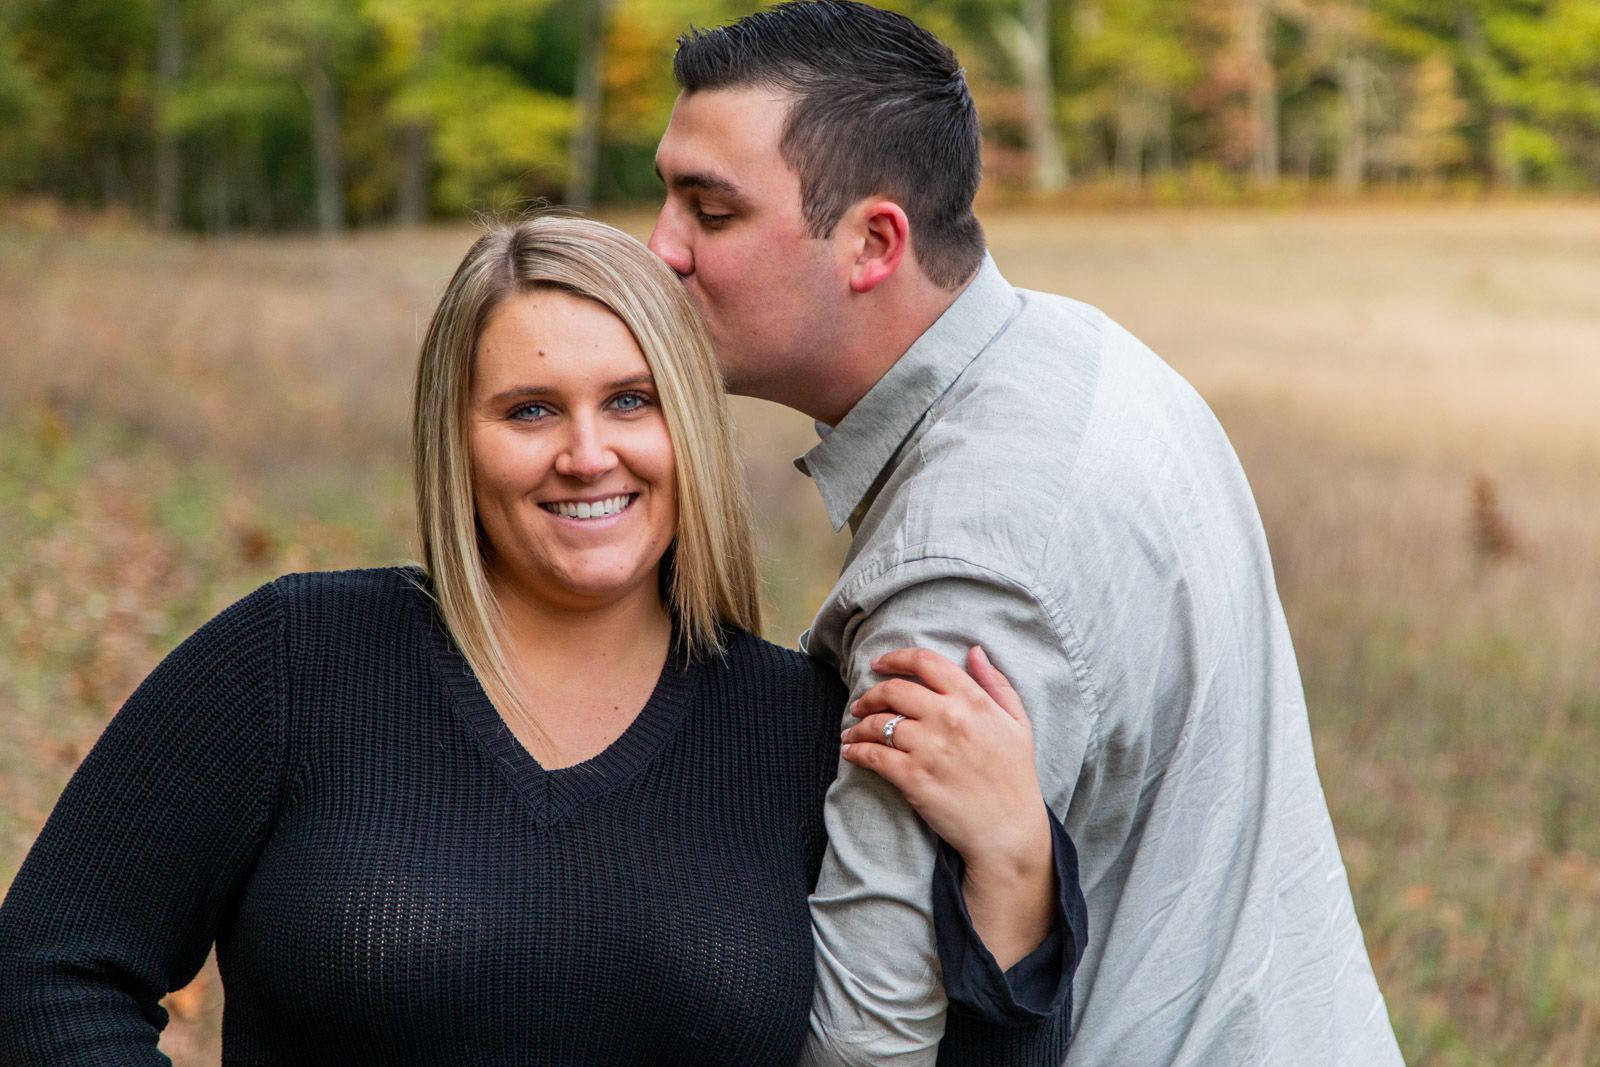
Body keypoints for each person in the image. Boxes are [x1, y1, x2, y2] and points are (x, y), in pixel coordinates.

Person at [0, 217, 1078, 1064]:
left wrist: (1015, 861)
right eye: (527, 410)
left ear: (689, 428)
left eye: (630, 400)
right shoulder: (294, 662)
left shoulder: (799, 729)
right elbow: (48, 972)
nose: (586, 453)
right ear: (454, 440)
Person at [648, 2, 1406, 1065]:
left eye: (709, 211)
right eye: (665, 194)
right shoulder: (1078, 354)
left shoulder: (968, 569)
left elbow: (869, 1039)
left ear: (873, 242)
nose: (659, 248)